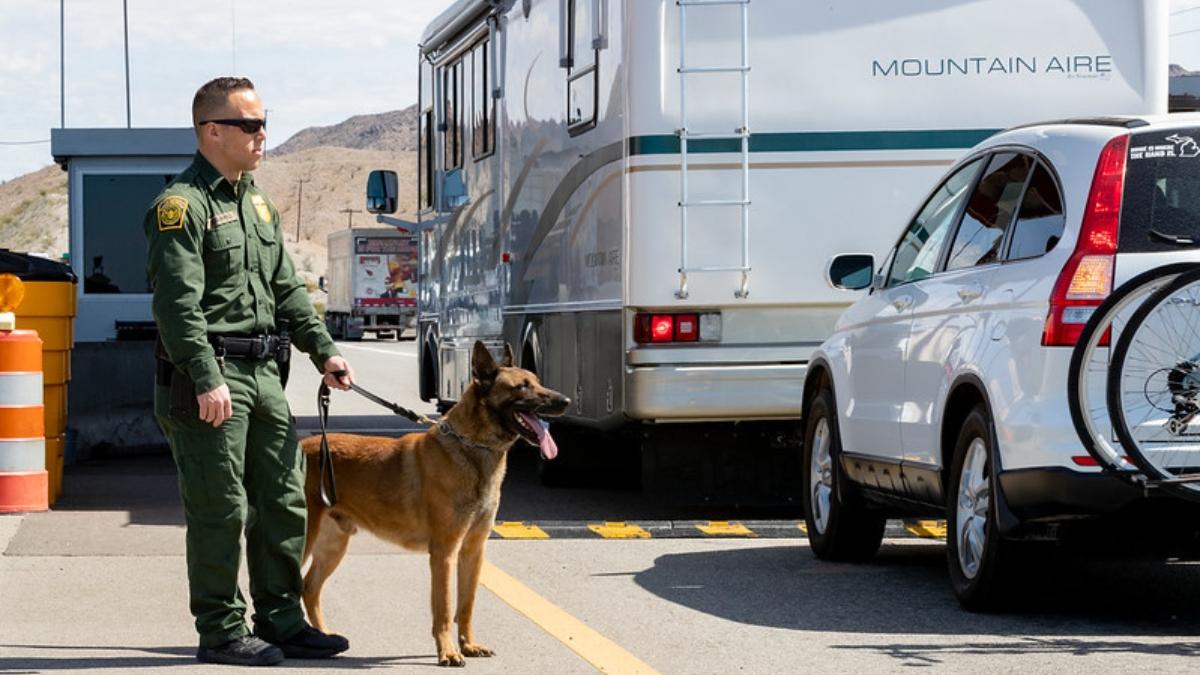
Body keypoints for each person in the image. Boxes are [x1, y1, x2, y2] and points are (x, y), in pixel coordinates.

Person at [143, 76, 356, 667]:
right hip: (209, 374)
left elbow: (287, 288)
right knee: (222, 508)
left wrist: (324, 350)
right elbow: (177, 307)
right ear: (213, 131)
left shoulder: (256, 200)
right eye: (251, 125)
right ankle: (220, 630)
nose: (264, 135)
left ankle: (283, 619)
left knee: (285, 499)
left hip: (264, 374)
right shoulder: (180, 207)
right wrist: (205, 376)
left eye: (265, 122)